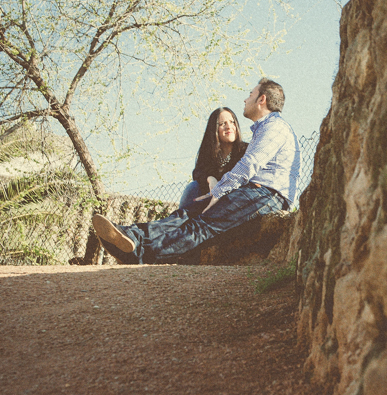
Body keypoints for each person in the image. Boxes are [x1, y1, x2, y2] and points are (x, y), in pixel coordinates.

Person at [92, 78, 300, 265]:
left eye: (250, 95)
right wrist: (213, 187)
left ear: (261, 99)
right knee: (189, 212)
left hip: (265, 194)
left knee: (203, 225)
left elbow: (248, 166)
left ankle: (138, 253)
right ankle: (131, 235)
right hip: (252, 191)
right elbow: (202, 171)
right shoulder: (263, 129)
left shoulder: (275, 127)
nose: (245, 100)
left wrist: (218, 193)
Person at [178, 107, 247, 211]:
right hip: (209, 195)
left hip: (234, 198)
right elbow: (198, 172)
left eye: (232, 122)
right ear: (214, 129)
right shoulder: (209, 152)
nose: (229, 127)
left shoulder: (246, 150)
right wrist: (211, 179)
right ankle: (181, 222)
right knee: (193, 187)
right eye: (222, 124)